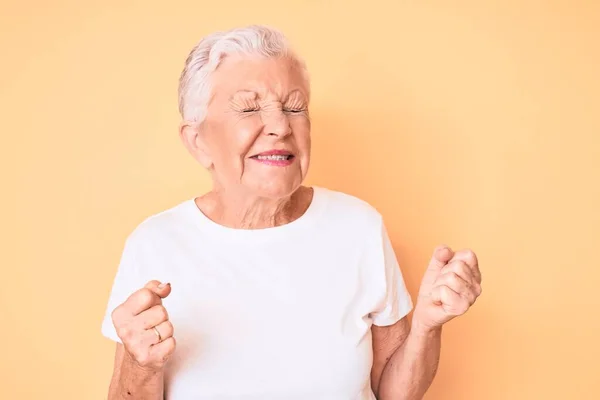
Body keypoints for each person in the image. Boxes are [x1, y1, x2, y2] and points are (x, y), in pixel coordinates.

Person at [101, 25, 482, 400]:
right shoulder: (155, 244)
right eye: (249, 108)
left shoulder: (359, 227)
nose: (281, 126)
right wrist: (142, 366)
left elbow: (392, 392)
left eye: (294, 107)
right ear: (198, 141)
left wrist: (427, 327)